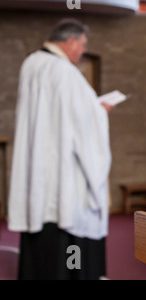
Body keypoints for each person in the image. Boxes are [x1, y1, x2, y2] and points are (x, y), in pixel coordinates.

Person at [8, 18, 113, 280]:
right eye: (82, 45)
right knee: (65, 215)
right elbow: (83, 124)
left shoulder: (32, 63)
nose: (81, 52)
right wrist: (100, 113)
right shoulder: (65, 72)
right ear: (71, 41)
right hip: (62, 170)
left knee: (42, 221)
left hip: (40, 164)